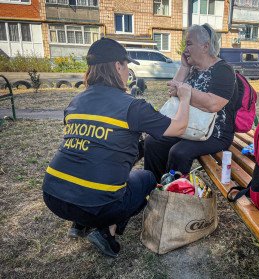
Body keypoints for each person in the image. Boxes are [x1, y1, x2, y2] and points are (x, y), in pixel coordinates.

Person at [42, 37, 192, 258]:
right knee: (148, 178)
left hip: (53, 196)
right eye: (127, 65)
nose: (128, 71)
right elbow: (178, 128)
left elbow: (93, 146)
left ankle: (79, 224)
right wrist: (185, 96)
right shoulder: (132, 106)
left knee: (89, 161)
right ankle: (107, 231)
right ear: (117, 66)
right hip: (97, 205)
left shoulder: (75, 102)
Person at [144, 23, 238, 182]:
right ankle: (152, 186)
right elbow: (173, 91)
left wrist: (186, 92)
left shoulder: (223, 70)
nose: (184, 49)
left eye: (189, 44)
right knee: (152, 141)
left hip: (214, 133)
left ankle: (173, 196)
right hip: (190, 126)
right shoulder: (193, 68)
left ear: (205, 46)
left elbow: (213, 104)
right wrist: (184, 67)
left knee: (179, 152)